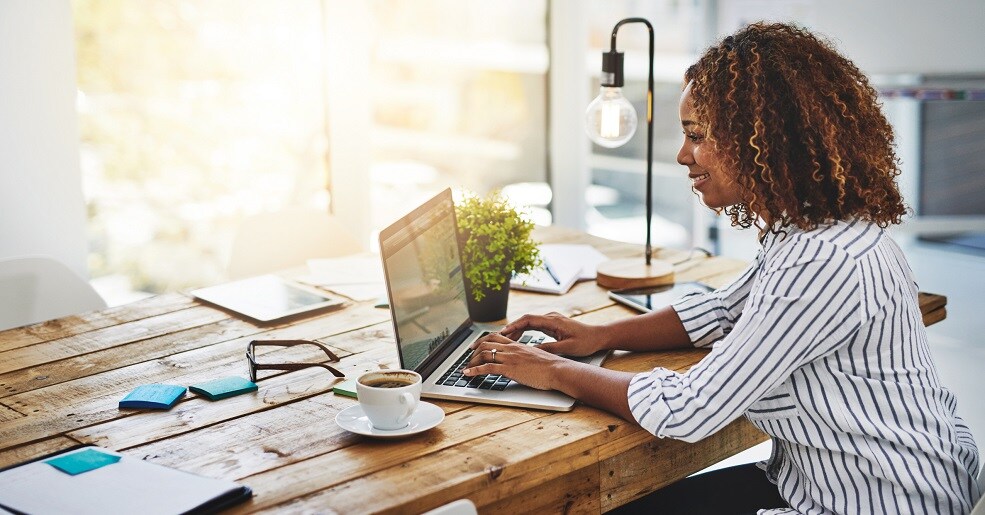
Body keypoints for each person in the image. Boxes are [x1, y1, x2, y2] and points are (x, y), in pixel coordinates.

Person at [463, 22, 980, 514]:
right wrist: (600, 335)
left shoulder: (822, 259)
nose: (683, 154)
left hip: (875, 503)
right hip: (828, 480)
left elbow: (692, 409)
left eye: (696, 134)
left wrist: (551, 371)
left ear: (763, 139)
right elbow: (720, 312)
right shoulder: (813, 229)